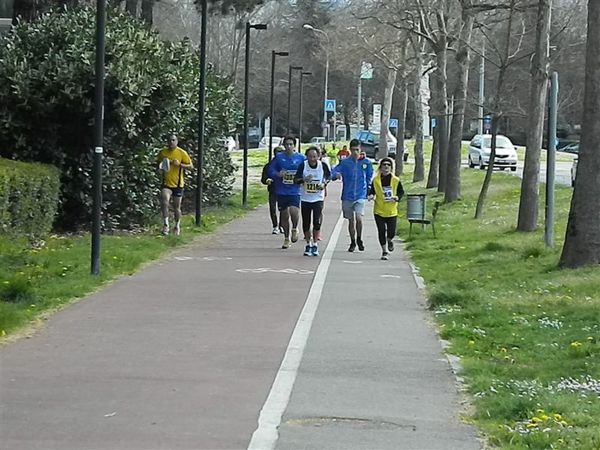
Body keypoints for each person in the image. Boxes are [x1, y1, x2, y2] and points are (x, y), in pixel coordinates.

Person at [331, 138, 373, 252]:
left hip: (360, 195)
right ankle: (353, 241)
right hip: (347, 196)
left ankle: (359, 238)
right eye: (353, 150)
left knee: (359, 218)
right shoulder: (345, 163)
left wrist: (369, 189)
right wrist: (336, 175)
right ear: (350, 150)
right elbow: (333, 171)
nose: (355, 152)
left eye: (357, 150)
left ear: (361, 149)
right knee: (351, 220)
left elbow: (370, 176)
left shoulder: (366, 162)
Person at [268, 136, 305, 249]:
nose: (289, 147)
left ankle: (295, 228)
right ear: (284, 146)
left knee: (294, 211)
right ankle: (286, 238)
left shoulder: (301, 158)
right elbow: (270, 169)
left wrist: (304, 178)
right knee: (284, 215)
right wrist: (277, 174)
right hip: (282, 190)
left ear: (294, 146)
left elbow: (307, 169)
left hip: (295, 190)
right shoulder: (278, 158)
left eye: (291, 144)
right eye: (287, 144)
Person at [295, 146, 331, 257]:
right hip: (305, 198)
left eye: (314, 156)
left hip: (318, 198)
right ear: (307, 157)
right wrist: (303, 180)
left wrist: (323, 184)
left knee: (316, 222)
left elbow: (328, 176)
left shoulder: (322, 165)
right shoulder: (303, 165)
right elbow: (295, 180)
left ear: (318, 156)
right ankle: (308, 244)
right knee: (306, 222)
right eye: (310, 156)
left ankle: (315, 244)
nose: (312, 159)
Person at [156, 133, 193, 236]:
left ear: (177, 141)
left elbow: (191, 166)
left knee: (177, 207)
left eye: (173, 140)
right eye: (169, 140)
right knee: (164, 201)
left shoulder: (182, 153)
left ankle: (177, 225)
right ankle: (166, 224)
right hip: (166, 183)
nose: (171, 142)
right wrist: (159, 170)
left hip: (178, 184)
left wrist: (180, 164)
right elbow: (158, 164)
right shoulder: (163, 153)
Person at [368, 157, 405, 260]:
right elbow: (372, 191)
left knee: (391, 232)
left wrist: (397, 197)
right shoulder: (376, 180)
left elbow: (401, 192)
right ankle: (384, 251)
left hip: (391, 210)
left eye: (388, 165)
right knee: (381, 231)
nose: (386, 167)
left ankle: (389, 240)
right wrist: (371, 196)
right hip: (379, 210)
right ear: (380, 167)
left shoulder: (396, 180)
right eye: (384, 165)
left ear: (391, 167)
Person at [261, 145, 284, 234]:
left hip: (283, 190)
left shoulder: (286, 165)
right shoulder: (269, 165)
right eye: (277, 153)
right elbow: (263, 178)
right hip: (273, 189)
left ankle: (282, 225)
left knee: (283, 209)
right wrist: (267, 180)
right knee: (272, 208)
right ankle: (275, 226)